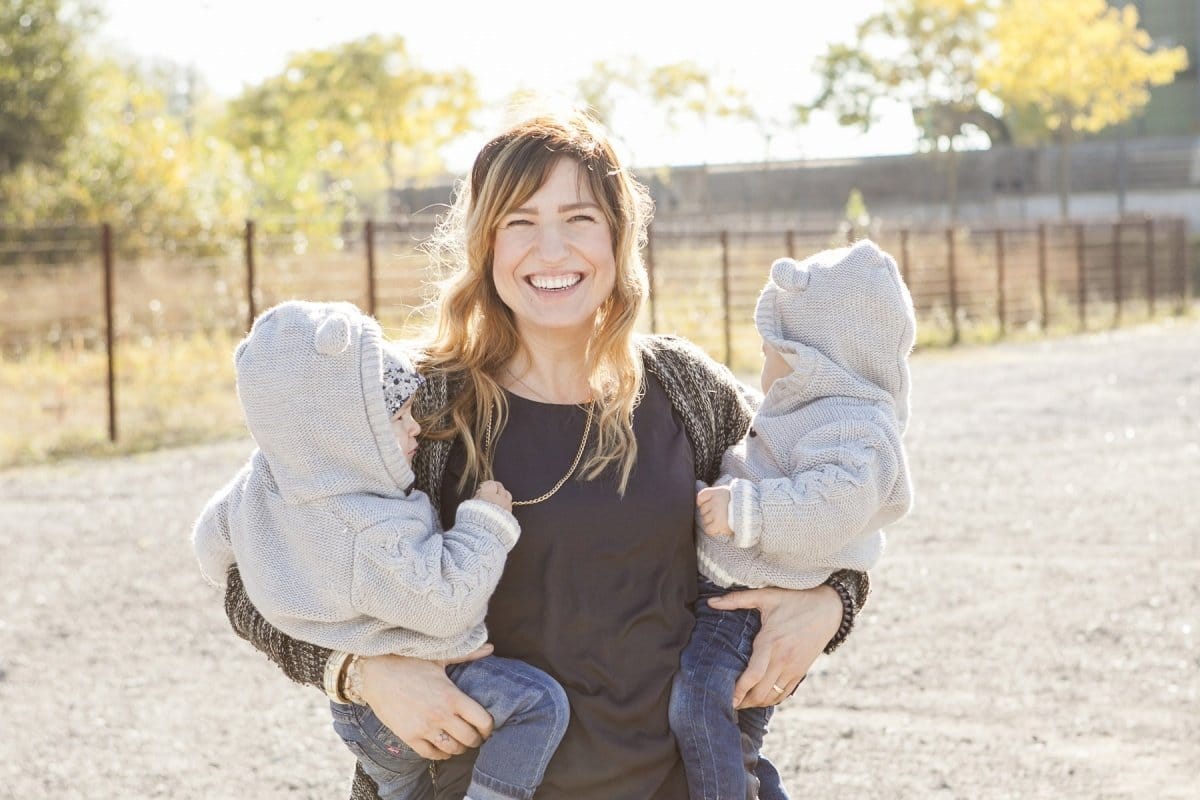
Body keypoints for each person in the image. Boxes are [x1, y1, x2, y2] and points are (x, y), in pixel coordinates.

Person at [215, 108, 871, 800]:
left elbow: (840, 503)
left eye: (580, 219)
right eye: (519, 222)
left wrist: (833, 600)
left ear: (619, 237)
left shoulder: (688, 389)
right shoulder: (412, 408)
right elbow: (246, 575)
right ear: (484, 243)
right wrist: (357, 672)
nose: (551, 250)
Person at [191, 299, 569, 800]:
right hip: (400, 698)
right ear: (347, 434)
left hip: (359, 721)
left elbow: (212, 549)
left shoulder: (269, 479)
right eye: (397, 418)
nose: (415, 427)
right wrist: (487, 523)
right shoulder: (368, 530)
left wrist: (292, 570)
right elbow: (449, 605)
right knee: (539, 703)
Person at [671, 240, 916, 800]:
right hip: (739, 585)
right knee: (736, 740)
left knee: (700, 703)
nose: (762, 366)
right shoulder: (811, 412)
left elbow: (832, 506)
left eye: (771, 351)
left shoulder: (855, 429)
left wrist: (747, 511)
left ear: (815, 359)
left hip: (748, 599)